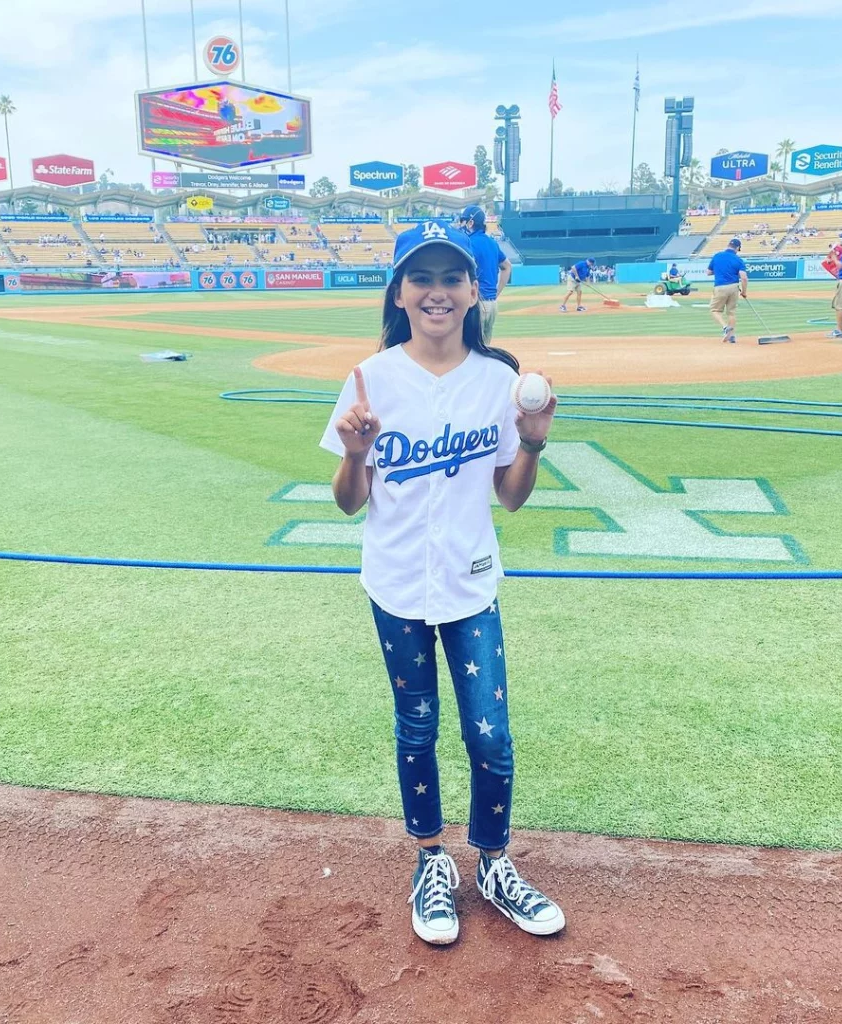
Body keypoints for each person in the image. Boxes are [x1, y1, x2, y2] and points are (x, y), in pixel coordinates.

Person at [320, 221, 565, 947]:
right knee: (417, 727)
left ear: (472, 292)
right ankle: (431, 861)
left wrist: (534, 441)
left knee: (490, 735)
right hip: (394, 582)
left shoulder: (498, 381)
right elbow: (347, 502)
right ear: (400, 292)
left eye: (451, 278)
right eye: (421, 278)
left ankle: (492, 862)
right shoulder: (370, 379)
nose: (437, 291)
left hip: (470, 582)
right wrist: (356, 453)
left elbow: (511, 497)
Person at [457, 205, 511, 342]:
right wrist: (496, 293)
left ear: (470, 222)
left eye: (463, 221)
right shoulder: (492, 243)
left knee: (468, 349)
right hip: (492, 304)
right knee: (484, 349)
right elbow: (507, 266)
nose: (460, 224)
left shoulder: (469, 243)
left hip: (476, 305)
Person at [706, 237, 748, 343]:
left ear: (728, 245)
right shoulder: (738, 260)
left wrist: (720, 270)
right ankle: (732, 335)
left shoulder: (717, 256)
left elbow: (708, 272)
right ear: (737, 248)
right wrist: (744, 292)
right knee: (731, 312)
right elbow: (744, 277)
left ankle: (725, 327)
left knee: (714, 310)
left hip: (720, 287)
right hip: (734, 287)